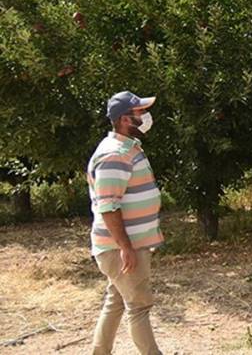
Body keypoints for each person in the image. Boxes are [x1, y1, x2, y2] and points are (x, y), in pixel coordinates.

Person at [87, 91, 164, 355]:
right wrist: (125, 247)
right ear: (124, 119)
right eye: (140, 112)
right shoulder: (114, 155)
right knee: (139, 307)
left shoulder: (127, 148)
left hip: (121, 247)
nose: (145, 116)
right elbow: (108, 207)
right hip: (120, 248)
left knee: (116, 300)